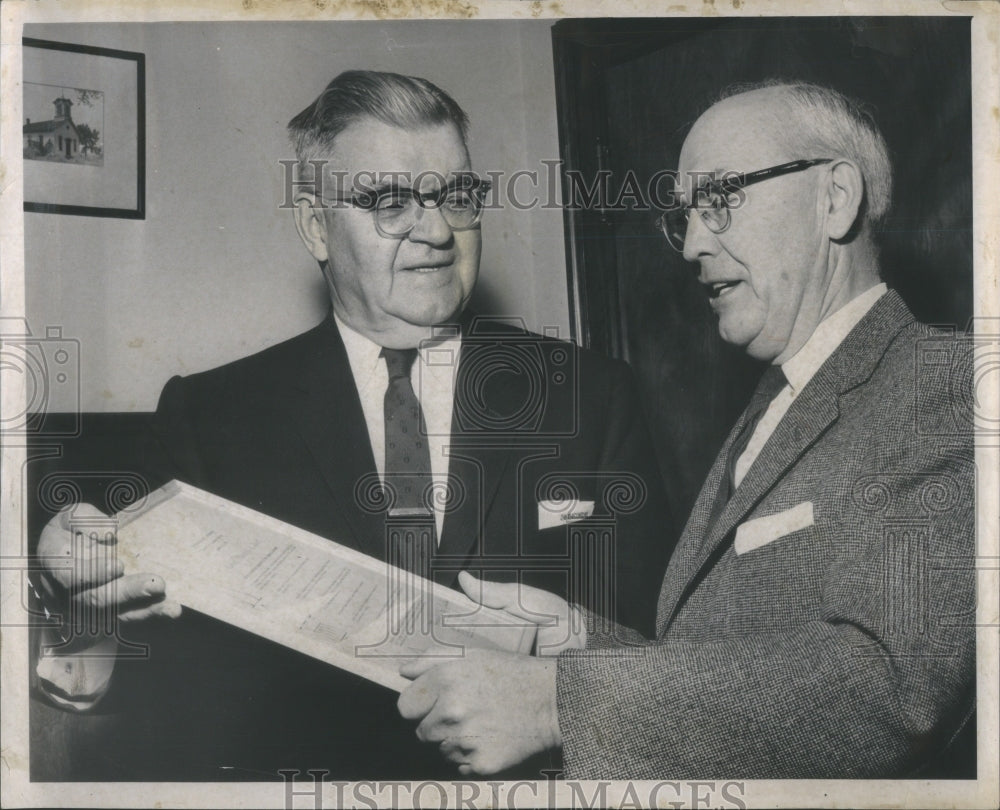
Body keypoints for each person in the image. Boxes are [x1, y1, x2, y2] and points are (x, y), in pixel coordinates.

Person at [32, 70, 671, 779]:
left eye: (455, 196)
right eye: (389, 201)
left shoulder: (594, 394)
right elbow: (144, 659)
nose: (435, 232)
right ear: (315, 225)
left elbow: (654, 651)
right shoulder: (211, 414)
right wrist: (72, 588)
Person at [398, 80, 976, 779]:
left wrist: (555, 703)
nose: (693, 243)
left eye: (721, 200)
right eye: (687, 216)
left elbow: (887, 683)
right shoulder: (774, 403)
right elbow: (712, 667)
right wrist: (572, 637)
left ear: (835, 198)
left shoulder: (945, 382)